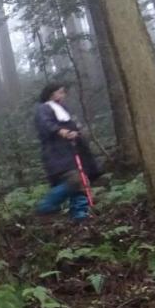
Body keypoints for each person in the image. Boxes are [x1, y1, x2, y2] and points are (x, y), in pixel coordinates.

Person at [34, 83, 100, 222]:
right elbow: (46, 124)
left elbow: (71, 126)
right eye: (60, 92)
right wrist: (61, 131)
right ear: (51, 94)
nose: (63, 95)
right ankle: (46, 204)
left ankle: (80, 215)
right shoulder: (43, 109)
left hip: (72, 150)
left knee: (82, 180)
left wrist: (77, 133)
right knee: (75, 180)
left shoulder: (63, 109)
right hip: (57, 153)